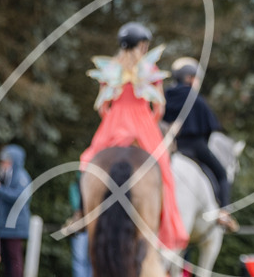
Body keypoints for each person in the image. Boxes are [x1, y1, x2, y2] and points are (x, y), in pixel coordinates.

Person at [79, 21, 188, 252]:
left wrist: (112, 117)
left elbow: (102, 107)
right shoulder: (149, 70)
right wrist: (148, 119)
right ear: (141, 45)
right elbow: (159, 107)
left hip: (114, 122)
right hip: (143, 122)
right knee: (163, 170)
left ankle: (80, 214)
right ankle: (166, 219)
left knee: (88, 162)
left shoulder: (110, 69)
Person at [162, 57, 236, 231]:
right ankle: (224, 212)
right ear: (188, 78)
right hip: (196, 146)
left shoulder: (166, 95)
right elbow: (210, 128)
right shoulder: (194, 97)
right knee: (221, 174)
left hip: (174, 148)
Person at [0, 144, 32, 277]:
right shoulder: (7, 175)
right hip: (6, 223)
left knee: (14, 256)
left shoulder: (21, 176)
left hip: (15, 224)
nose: (3, 164)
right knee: (6, 256)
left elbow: (19, 197)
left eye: (7, 160)